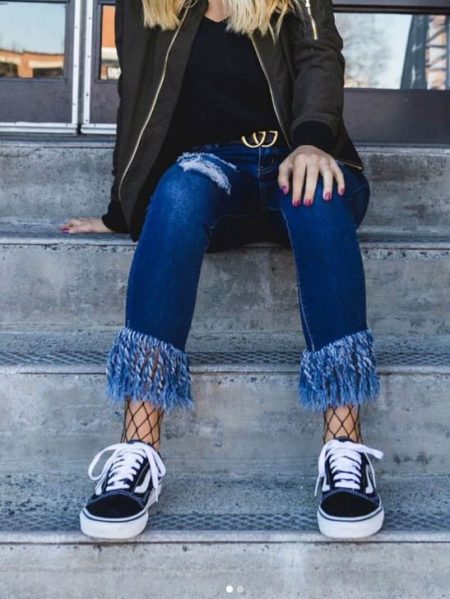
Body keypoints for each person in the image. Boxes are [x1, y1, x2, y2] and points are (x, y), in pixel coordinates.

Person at [61, 0, 385, 541]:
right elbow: (136, 97)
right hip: (211, 168)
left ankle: (344, 449)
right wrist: (122, 211)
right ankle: (137, 449)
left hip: (296, 158)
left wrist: (311, 142)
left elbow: (320, 57)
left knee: (317, 199)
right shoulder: (150, 7)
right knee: (178, 193)